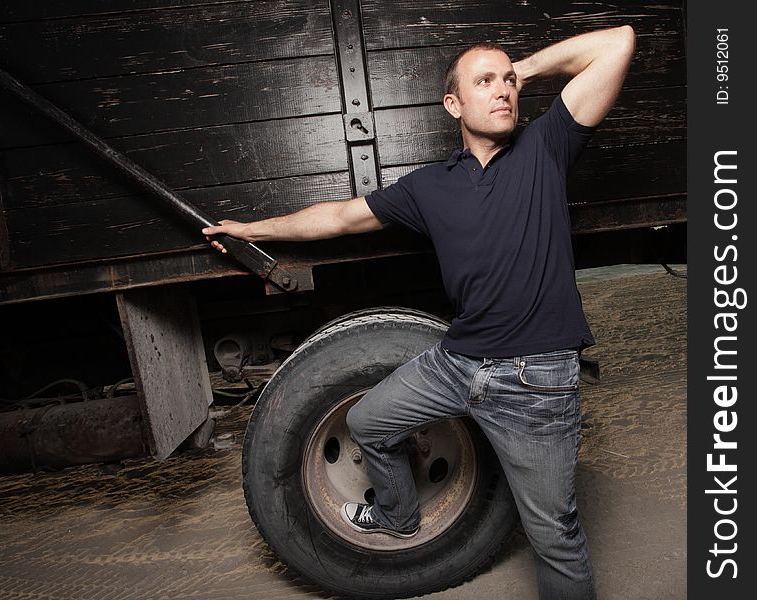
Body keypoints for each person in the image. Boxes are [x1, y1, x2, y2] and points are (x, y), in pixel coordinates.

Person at [203, 26, 635, 600]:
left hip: (536, 380)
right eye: (484, 82)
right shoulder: (431, 186)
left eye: (507, 82)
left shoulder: (546, 146)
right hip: (460, 362)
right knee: (368, 423)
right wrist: (252, 230)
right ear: (453, 104)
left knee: (553, 533)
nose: (502, 89)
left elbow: (619, 43)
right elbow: (339, 218)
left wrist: (520, 70)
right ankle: (398, 516)